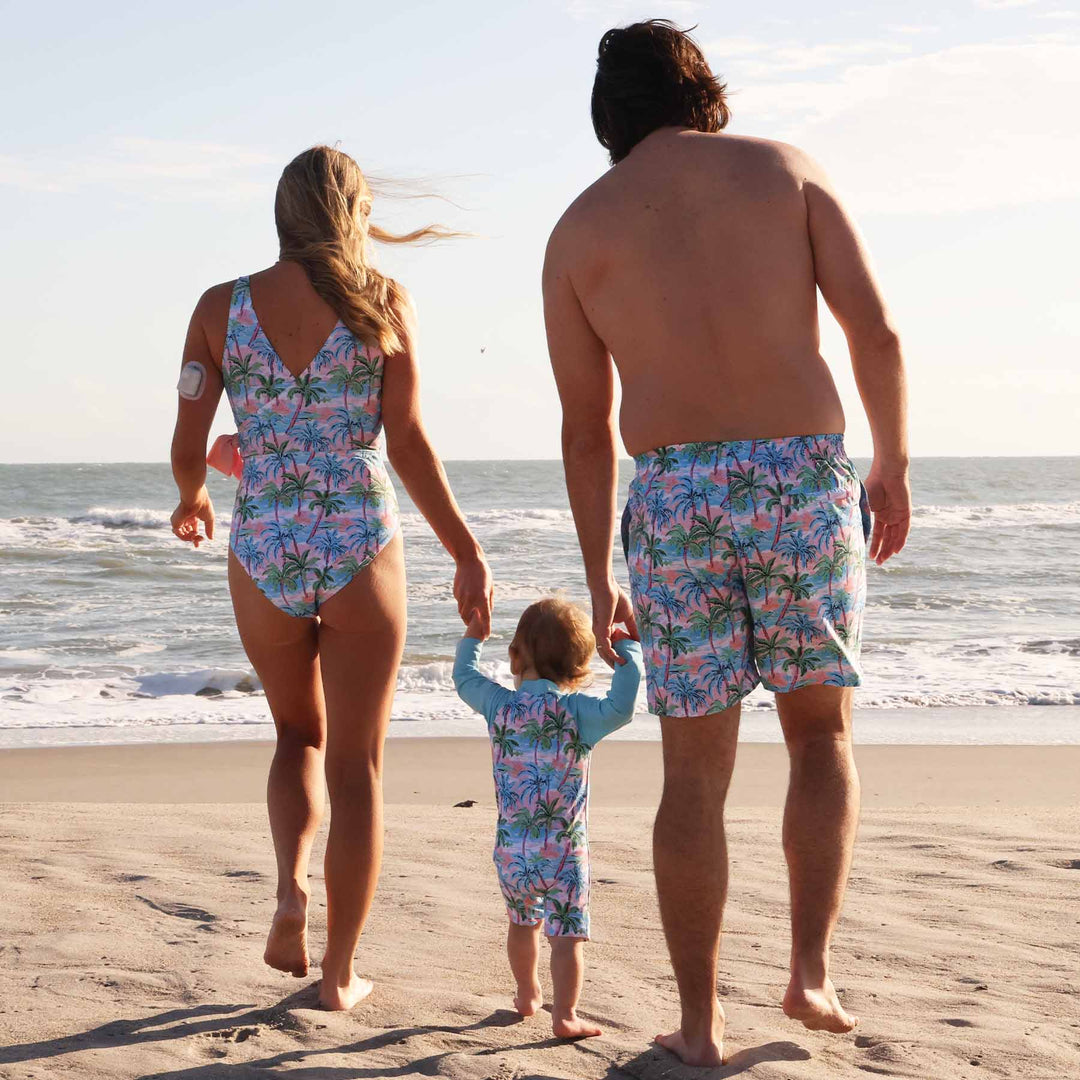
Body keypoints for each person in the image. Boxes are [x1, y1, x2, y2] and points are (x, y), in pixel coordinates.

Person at [542, 20, 911, 1067]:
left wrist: (598, 574)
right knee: (819, 740)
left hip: (671, 497)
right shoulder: (785, 171)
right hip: (798, 479)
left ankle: (701, 1027)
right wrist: (891, 464)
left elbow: (582, 426)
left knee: (693, 771)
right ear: (702, 89)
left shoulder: (578, 232)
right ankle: (808, 973)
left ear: (608, 117)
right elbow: (874, 331)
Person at [169, 145, 493, 1011]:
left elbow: (185, 440)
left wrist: (194, 496)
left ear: (282, 214)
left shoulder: (219, 306)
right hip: (358, 541)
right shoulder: (383, 303)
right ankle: (340, 973)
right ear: (352, 212)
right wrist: (464, 548)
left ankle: (289, 892)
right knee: (358, 764)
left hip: (265, 539)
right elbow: (412, 444)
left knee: (294, 737)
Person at [452, 598, 643, 1039]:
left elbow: (463, 678)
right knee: (566, 936)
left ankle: (525, 994)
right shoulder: (579, 715)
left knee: (523, 924)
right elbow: (623, 705)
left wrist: (473, 638)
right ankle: (565, 1015)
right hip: (563, 855)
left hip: (511, 851)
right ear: (581, 664)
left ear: (515, 656)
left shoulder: (500, 705)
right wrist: (626, 648)